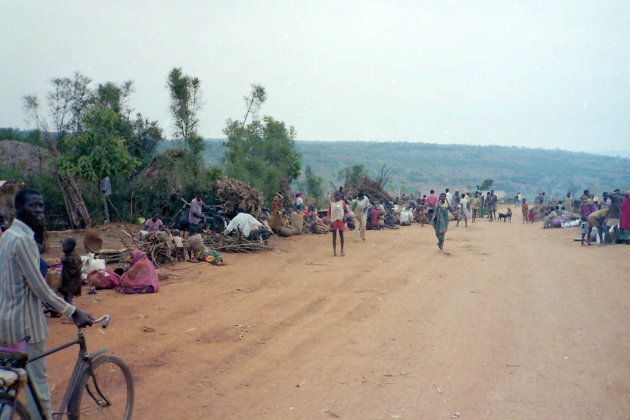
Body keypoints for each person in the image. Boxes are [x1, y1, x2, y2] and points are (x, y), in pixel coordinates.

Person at [0, 188, 93, 420]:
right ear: (18, 208)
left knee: (11, 386)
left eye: (41, 206)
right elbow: (40, 288)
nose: (40, 211)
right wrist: (72, 311)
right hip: (25, 327)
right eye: (33, 206)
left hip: (6, 323)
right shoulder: (23, 240)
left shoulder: (8, 236)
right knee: (38, 386)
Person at [58, 238, 83, 305]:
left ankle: (70, 308)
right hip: (68, 277)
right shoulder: (69, 255)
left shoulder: (73, 256)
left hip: (72, 279)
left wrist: (64, 260)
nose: (62, 248)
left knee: (69, 293)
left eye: (64, 246)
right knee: (66, 292)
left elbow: (76, 265)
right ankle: (67, 304)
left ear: (70, 246)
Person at [327, 190, 348, 256]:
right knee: (334, 236)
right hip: (333, 221)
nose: (337, 197)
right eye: (336, 195)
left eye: (338, 195)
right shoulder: (331, 204)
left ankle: (342, 251)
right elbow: (329, 213)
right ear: (334, 196)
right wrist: (329, 220)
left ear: (340, 196)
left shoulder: (342, 203)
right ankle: (334, 251)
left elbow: (347, 211)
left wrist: (345, 217)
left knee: (341, 235)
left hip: (340, 220)